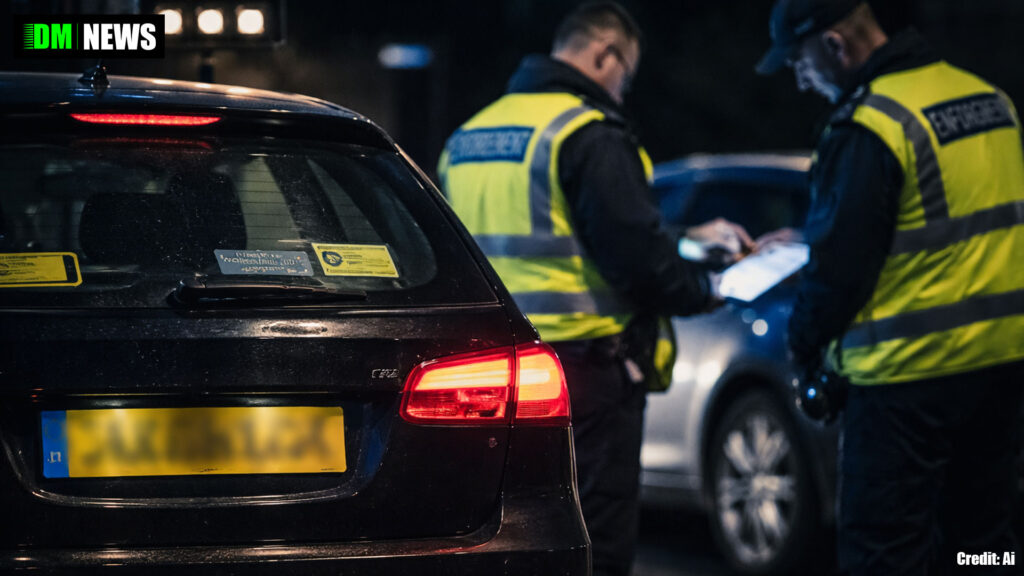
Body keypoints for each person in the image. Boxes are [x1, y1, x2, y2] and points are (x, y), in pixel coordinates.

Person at [436, 3, 752, 574]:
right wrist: (709, 288)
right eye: (624, 76)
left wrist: (682, 237)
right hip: (585, 381)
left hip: (489, 382)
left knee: (504, 543)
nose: (622, 93)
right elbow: (637, 261)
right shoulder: (587, 134)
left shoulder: (467, 137)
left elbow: (551, 233)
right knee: (594, 545)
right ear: (605, 54)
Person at [757, 0, 1024, 574]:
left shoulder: (870, 125)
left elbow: (839, 273)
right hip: (1001, 371)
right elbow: (949, 230)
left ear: (835, 46)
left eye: (799, 61)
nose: (800, 79)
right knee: (985, 539)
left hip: (905, 384)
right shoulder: (990, 100)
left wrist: (803, 348)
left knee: (885, 551)